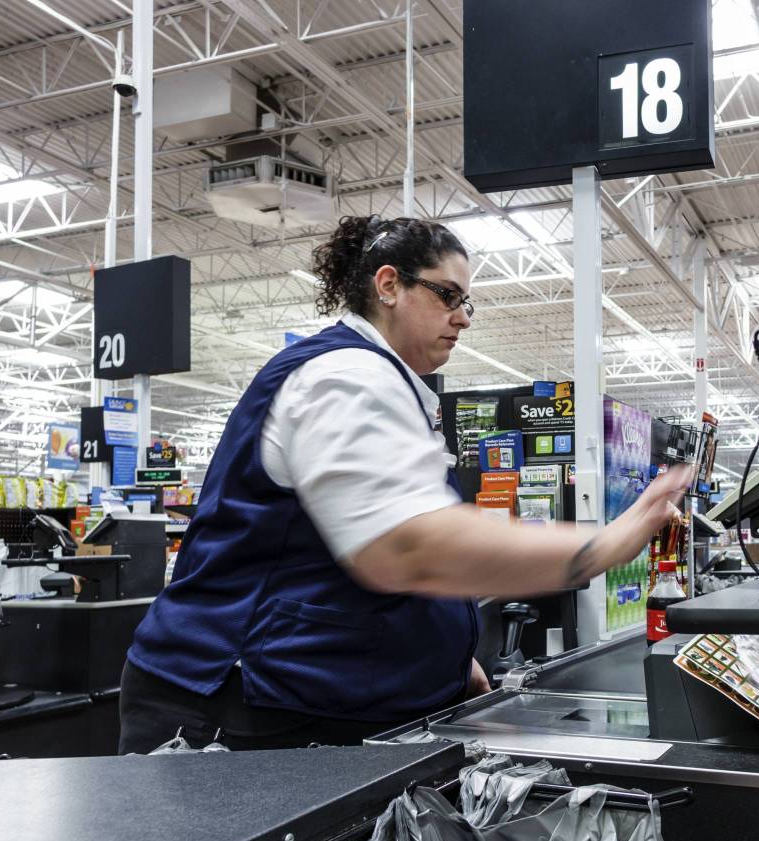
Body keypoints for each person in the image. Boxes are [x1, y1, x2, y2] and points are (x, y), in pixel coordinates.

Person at [118, 215, 689, 754]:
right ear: (388, 285)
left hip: (301, 701)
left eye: (466, 302)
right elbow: (409, 547)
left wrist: (450, 658)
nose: (463, 316)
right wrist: (606, 545)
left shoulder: (385, 385)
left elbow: (357, 539)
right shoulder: (345, 376)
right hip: (236, 708)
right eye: (448, 295)